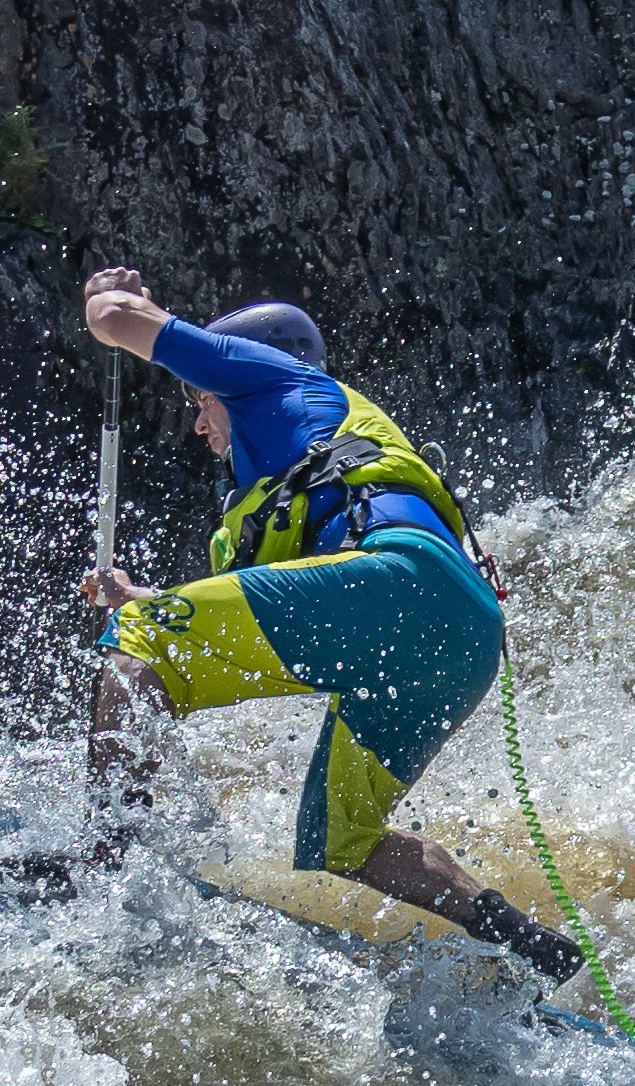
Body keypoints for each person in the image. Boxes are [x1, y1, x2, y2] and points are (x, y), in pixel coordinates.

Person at [75, 266, 587, 984]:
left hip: (400, 585)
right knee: (342, 837)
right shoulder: (289, 460)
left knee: (143, 641)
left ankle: (103, 863)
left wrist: (115, 294)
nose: (197, 422)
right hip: (458, 634)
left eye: (199, 400)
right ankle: (526, 942)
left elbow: (112, 322)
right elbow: (269, 604)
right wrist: (141, 594)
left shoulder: (272, 376)